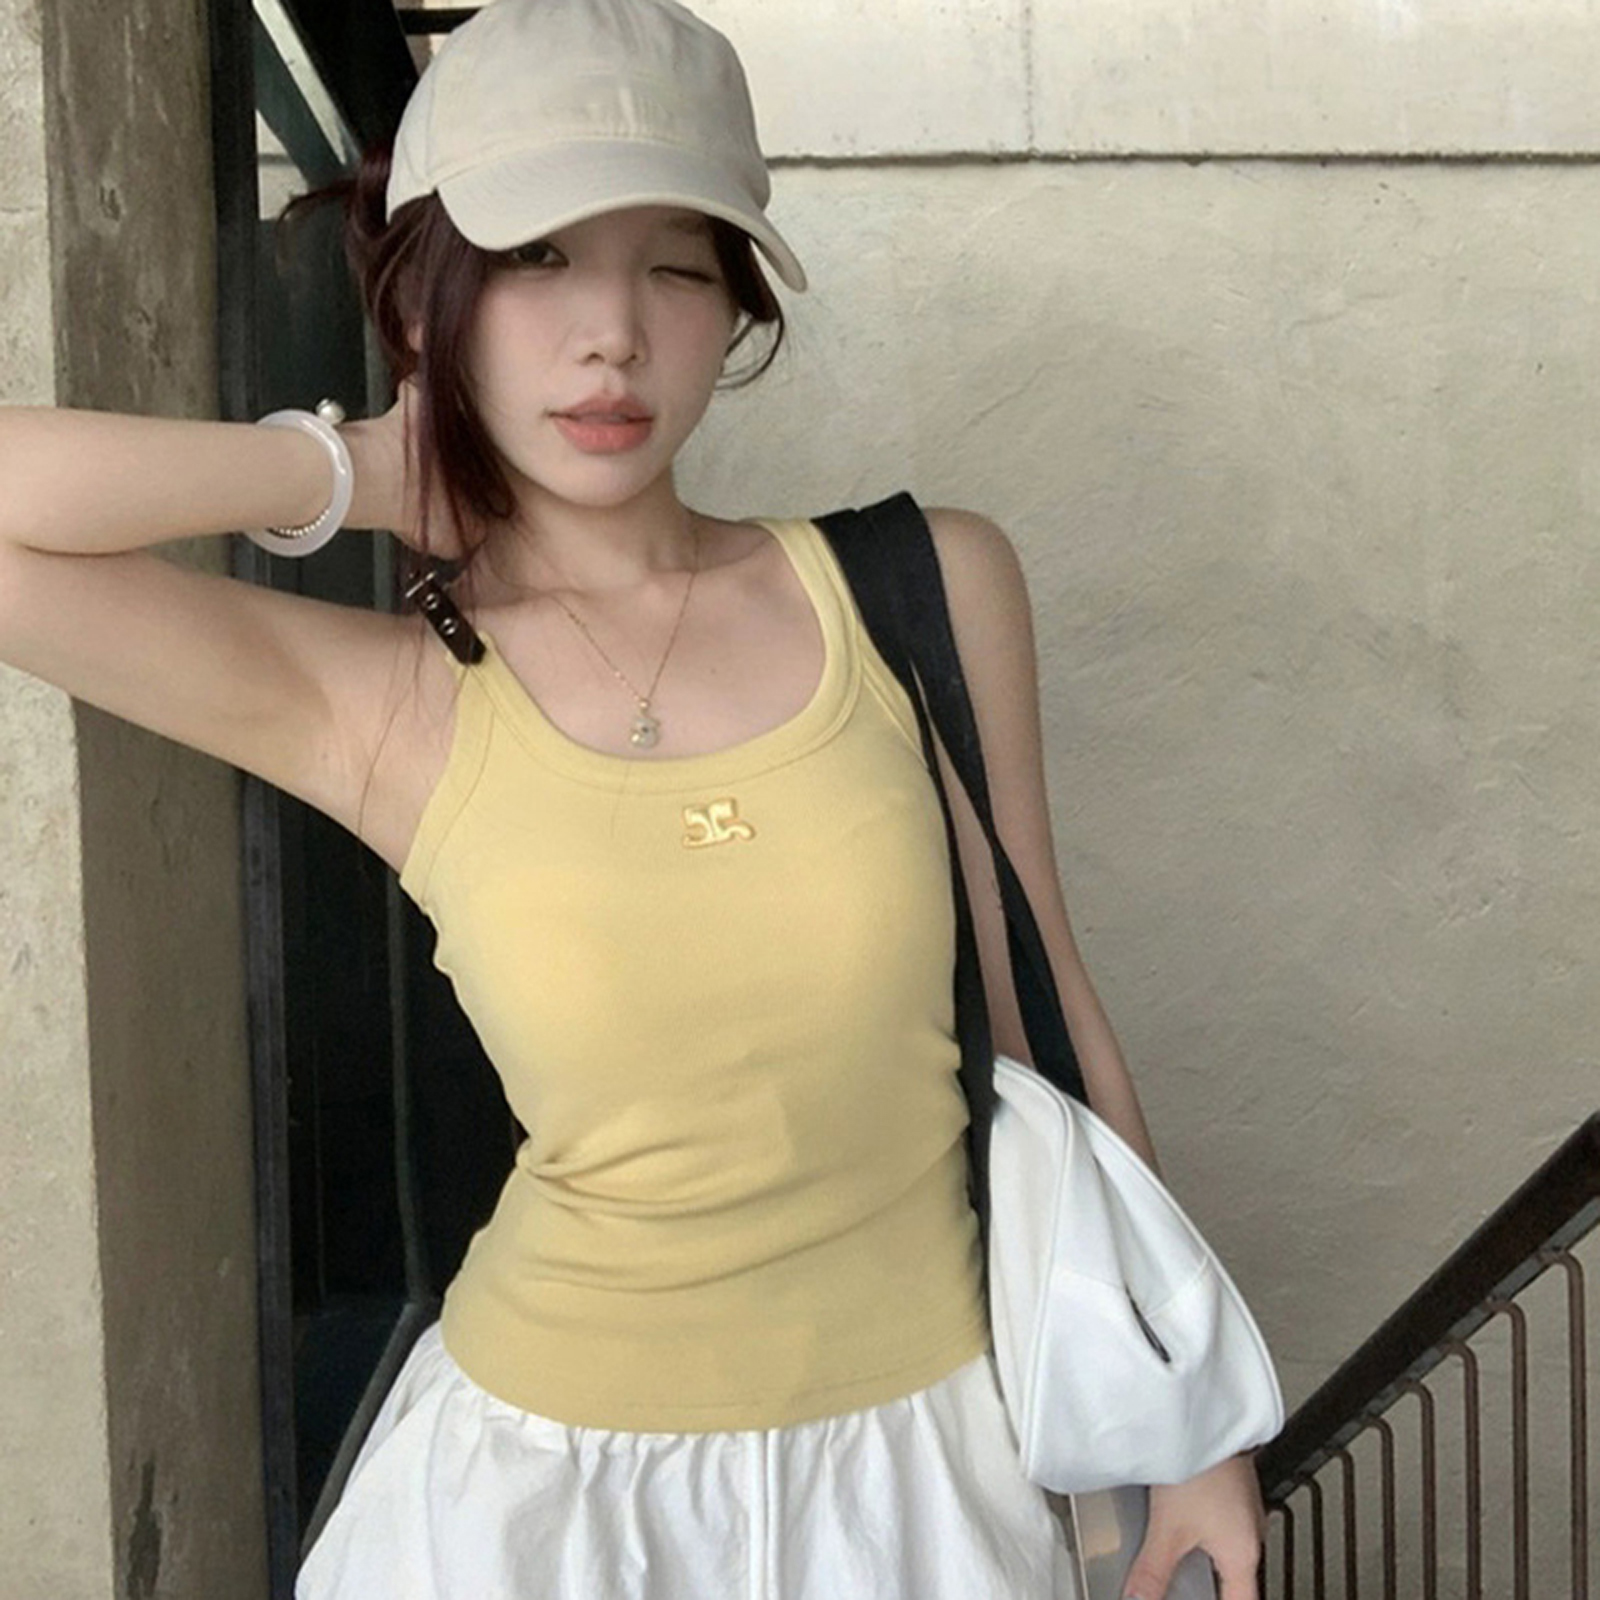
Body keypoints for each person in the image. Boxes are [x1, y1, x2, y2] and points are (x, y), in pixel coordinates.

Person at [0, 1, 1266, 1595]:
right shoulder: (387, 701)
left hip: (926, 1479)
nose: (611, 332)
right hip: (547, 1502)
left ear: (732, 306)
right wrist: (364, 471)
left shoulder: (924, 587)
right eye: (537, 260)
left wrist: (1189, 1421)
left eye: (675, 265)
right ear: (427, 303)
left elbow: (1046, 1007)